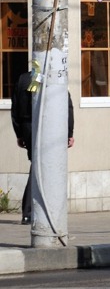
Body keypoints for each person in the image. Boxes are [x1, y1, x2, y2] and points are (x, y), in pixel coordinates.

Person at [10, 71, 75, 225]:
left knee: (37, 166)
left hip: (27, 126)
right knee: (39, 167)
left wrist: (19, 133)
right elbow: (67, 107)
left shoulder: (23, 79)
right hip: (46, 124)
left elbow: (15, 109)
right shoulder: (55, 77)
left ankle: (32, 210)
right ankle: (29, 211)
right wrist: (69, 131)